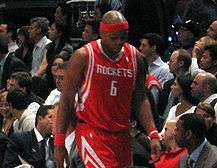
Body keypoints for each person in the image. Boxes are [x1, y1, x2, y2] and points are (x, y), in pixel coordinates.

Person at [54, 10, 160, 168]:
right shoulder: (83, 56)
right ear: (102, 34)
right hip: (92, 132)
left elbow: (140, 98)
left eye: (123, 37)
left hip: (122, 135)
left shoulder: (135, 57)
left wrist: (153, 133)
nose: (119, 42)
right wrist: (59, 142)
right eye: (114, 38)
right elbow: (67, 100)